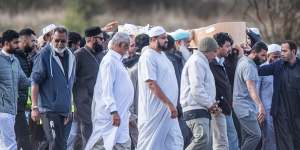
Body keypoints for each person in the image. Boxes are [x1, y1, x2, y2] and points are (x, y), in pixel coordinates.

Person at [137, 26, 183, 150]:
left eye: (166, 37)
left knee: (175, 142)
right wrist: (168, 104)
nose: (166, 40)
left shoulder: (162, 55)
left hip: (168, 111)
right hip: (155, 110)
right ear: (153, 39)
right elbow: (151, 83)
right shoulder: (148, 56)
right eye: (163, 38)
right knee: (150, 145)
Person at [85, 32, 133, 150]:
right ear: (121, 44)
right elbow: (107, 89)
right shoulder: (109, 61)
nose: (128, 50)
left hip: (121, 114)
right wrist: (113, 111)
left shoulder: (117, 60)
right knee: (101, 145)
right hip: (109, 116)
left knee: (121, 144)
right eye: (127, 46)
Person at [31, 26, 76, 150]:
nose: (60, 43)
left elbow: (70, 85)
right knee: (55, 142)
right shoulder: (44, 55)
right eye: (57, 40)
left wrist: (68, 108)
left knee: (60, 144)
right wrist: (34, 107)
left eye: (63, 41)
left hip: (64, 110)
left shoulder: (71, 56)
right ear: (51, 38)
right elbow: (35, 82)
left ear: (67, 40)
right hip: (49, 109)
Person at [258, 40, 300, 150]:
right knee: (284, 143)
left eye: (285, 51)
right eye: (281, 51)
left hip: (297, 113)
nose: (281, 53)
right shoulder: (278, 65)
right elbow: (260, 70)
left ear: (293, 51)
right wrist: (252, 57)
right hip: (281, 113)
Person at [180, 37, 221, 150]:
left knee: (205, 144)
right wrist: (210, 104)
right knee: (202, 139)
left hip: (200, 107)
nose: (215, 56)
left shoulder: (200, 61)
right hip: (195, 108)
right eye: (214, 52)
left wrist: (211, 103)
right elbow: (196, 89)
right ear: (208, 50)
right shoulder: (197, 61)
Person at [73, 26, 105, 149]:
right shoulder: (78, 55)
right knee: (88, 136)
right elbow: (71, 82)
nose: (103, 41)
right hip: (84, 103)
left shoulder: (101, 55)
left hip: (100, 103)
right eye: (100, 39)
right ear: (91, 38)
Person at [233, 41, 268, 150]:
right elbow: (251, 87)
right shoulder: (249, 66)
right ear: (254, 52)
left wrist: (242, 48)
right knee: (255, 135)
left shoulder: (243, 60)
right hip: (245, 108)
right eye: (262, 55)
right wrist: (260, 106)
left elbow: (239, 50)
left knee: (247, 137)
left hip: (242, 107)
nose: (264, 58)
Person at [0, 29, 30, 150]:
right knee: (10, 144)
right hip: (3, 110)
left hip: (12, 109)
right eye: (15, 42)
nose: (18, 45)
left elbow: (24, 81)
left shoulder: (15, 60)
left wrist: (39, 80)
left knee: (7, 143)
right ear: (6, 43)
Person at [210, 32, 239, 150]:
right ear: (218, 47)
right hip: (218, 108)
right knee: (222, 141)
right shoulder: (211, 64)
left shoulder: (222, 62)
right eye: (227, 46)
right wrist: (220, 102)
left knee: (231, 138)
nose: (230, 49)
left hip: (226, 107)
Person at [14, 28, 36, 150]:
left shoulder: (25, 56)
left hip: (23, 105)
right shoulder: (14, 58)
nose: (34, 44)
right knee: (22, 138)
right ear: (24, 41)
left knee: (22, 138)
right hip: (16, 105)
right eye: (32, 41)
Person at [258, 44, 281, 150]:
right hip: (266, 110)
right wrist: (259, 109)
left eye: (279, 57)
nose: (277, 59)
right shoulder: (262, 69)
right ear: (268, 55)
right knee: (268, 138)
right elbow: (256, 91)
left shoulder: (282, 69)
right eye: (275, 56)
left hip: (280, 110)